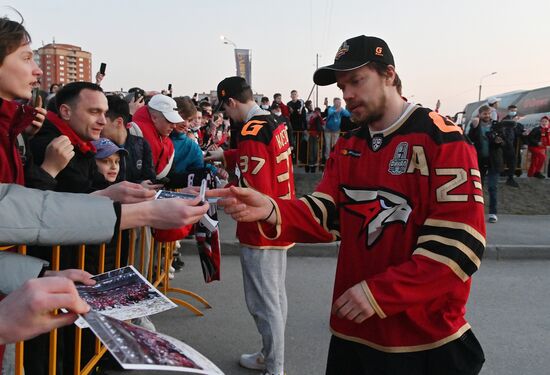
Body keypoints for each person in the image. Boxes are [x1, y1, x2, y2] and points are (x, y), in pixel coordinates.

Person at [212, 36, 485, 375]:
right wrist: (271, 209)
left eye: (357, 80)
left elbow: (461, 244)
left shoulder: (442, 138)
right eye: (342, 86)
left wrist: (379, 294)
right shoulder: (349, 144)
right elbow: (327, 213)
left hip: (424, 341)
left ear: (389, 74)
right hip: (352, 333)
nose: (348, 94)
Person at [207, 76, 295, 375]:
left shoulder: (250, 129)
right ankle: (269, 356)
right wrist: (228, 154)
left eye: (226, 109)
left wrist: (218, 195)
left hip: (260, 227)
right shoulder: (274, 121)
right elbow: (265, 160)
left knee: (263, 302)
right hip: (280, 217)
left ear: (231, 102)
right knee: (276, 296)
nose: (227, 116)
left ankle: (274, 367)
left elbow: (251, 184)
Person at [468, 105, 504, 223]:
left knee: (492, 187)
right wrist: (473, 127)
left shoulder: (496, 125)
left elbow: (504, 141)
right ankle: (477, 212)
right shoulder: (476, 124)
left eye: (488, 113)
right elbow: (469, 139)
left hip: (494, 161)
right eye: (484, 114)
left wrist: (498, 141)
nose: (487, 116)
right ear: (480, 114)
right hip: (479, 160)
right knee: (478, 188)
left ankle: (493, 213)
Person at [500, 105, 523, 187]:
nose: (513, 112)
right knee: (505, 159)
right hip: (506, 142)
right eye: (512, 110)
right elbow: (504, 129)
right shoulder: (505, 119)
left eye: (515, 110)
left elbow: (518, 131)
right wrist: (513, 121)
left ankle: (510, 177)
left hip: (513, 143)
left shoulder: (518, 120)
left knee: (513, 160)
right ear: (508, 110)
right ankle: (504, 174)